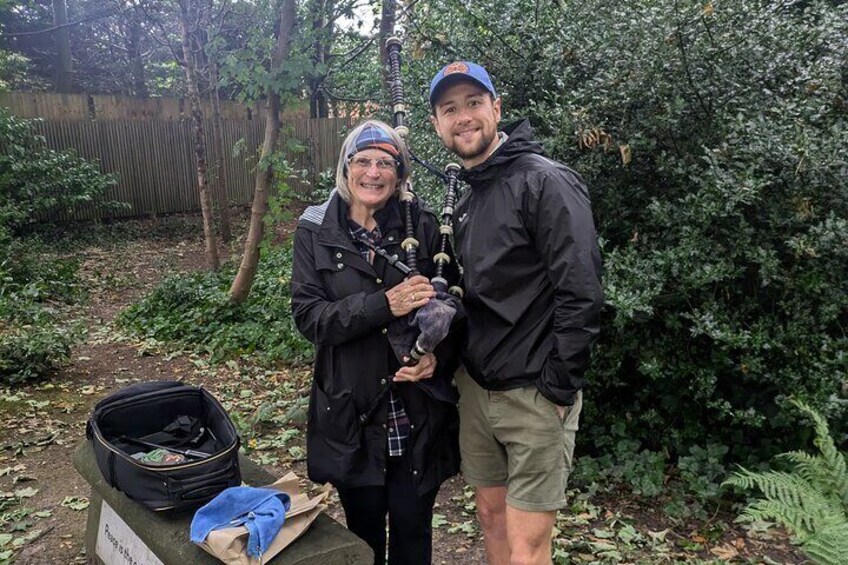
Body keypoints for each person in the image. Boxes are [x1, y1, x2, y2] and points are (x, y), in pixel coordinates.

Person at [428, 62, 604, 565]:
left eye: (473, 103)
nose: (463, 117)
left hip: (534, 395)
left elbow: (582, 290)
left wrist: (558, 386)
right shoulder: (467, 197)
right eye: (449, 109)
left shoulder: (545, 182)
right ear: (438, 124)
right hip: (478, 389)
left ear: (496, 109)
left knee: (529, 546)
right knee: (490, 519)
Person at [290, 119, 460, 565]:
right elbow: (310, 318)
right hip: (353, 411)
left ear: (400, 173)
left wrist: (437, 359)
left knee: (413, 533)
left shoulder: (423, 225)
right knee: (362, 540)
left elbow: (457, 305)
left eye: (386, 162)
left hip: (415, 411)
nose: (374, 172)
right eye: (362, 160)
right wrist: (384, 304)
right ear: (345, 168)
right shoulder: (316, 229)